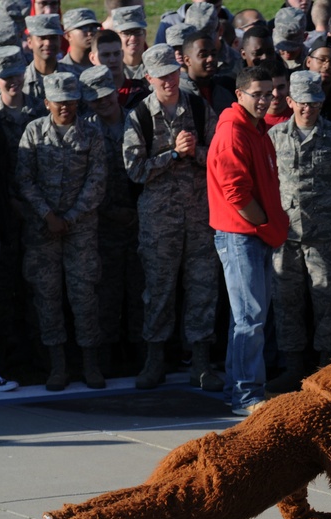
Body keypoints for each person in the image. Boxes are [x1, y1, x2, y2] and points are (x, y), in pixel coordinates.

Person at [122, 44, 220, 391]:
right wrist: (173, 156)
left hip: (198, 215)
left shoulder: (196, 106)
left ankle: (202, 362)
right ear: (148, 78)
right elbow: (134, 170)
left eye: (173, 73)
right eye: (161, 75)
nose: (169, 80)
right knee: (159, 291)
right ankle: (154, 360)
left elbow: (218, 157)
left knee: (202, 288)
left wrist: (195, 154)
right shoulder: (139, 117)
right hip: (158, 222)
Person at [266, 70, 331, 393]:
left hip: (327, 236)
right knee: (286, 302)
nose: (309, 109)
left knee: (328, 301)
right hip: (285, 237)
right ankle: (293, 366)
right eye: (303, 103)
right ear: (290, 101)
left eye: (315, 103)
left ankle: (325, 367)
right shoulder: (275, 137)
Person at [208, 65, 289, 416]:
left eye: (269, 93)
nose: (264, 100)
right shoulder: (233, 132)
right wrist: (269, 224)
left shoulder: (255, 129)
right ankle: (245, 395)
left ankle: (236, 388)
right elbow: (237, 194)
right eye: (256, 94)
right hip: (241, 236)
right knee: (250, 318)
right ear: (239, 95)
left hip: (252, 236)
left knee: (247, 316)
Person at [17, 71, 106, 391]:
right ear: (47, 103)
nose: (65, 106)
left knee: (85, 296)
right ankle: (57, 366)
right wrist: (47, 215)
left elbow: (97, 180)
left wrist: (70, 216)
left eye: (70, 100)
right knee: (48, 296)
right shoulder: (34, 132)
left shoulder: (91, 133)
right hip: (43, 231)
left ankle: (90, 364)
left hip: (80, 229)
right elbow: (24, 179)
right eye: (58, 101)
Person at [80, 65, 144, 370]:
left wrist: (134, 212)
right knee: (105, 294)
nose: (102, 102)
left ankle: (140, 355)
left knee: (139, 292)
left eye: (105, 94)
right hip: (101, 226)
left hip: (140, 221)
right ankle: (107, 358)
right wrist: (111, 211)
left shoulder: (138, 122)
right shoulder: (85, 129)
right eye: (94, 99)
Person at [22, 14, 71, 100]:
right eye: (42, 38)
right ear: (29, 42)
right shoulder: (20, 81)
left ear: (60, 41)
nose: (48, 43)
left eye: (53, 38)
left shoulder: (72, 77)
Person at [60, 8, 100, 77]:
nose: (90, 33)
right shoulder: (60, 71)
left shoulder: (106, 65)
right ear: (68, 35)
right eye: (84, 28)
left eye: (93, 27)